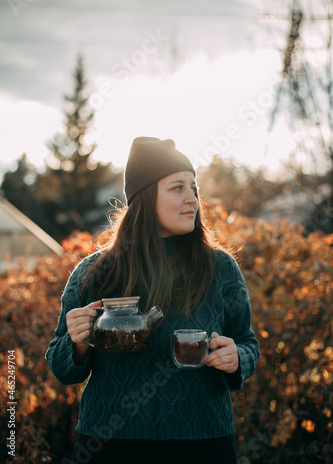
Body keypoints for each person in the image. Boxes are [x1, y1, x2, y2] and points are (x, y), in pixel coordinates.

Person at [46, 137, 260, 463]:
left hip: (203, 441)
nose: (192, 199)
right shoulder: (94, 272)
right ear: (145, 197)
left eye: (194, 188)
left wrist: (237, 358)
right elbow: (62, 368)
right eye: (177, 188)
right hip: (110, 445)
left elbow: (248, 343)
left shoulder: (220, 268)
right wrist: (76, 342)